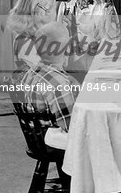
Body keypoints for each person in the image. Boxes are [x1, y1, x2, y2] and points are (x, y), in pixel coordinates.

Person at [21, 22, 80, 150]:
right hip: (52, 142)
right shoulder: (59, 85)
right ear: (68, 47)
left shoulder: (30, 73)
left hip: (35, 137)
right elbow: (70, 126)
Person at [6, 0, 57, 72]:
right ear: (35, 12)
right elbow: (43, 74)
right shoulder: (25, 41)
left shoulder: (40, 36)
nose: (52, 13)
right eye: (48, 9)